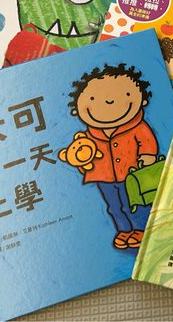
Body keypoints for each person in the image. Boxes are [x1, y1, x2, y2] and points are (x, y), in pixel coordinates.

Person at [65, 64, 158, 249]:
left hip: (130, 174)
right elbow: (84, 153)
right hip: (103, 177)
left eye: (125, 95)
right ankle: (123, 230)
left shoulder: (137, 126)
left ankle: (140, 229)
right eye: (93, 98)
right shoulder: (89, 134)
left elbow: (147, 142)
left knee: (134, 203)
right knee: (114, 206)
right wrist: (82, 162)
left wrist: (147, 156)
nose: (109, 102)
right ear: (77, 109)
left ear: (142, 100)